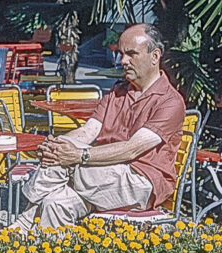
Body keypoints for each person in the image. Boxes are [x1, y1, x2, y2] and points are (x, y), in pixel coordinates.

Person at [13, 23, 186, 231]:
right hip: (101, 174)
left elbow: (132, 149)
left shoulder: (170, 102)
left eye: (132, 54)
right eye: (121, 54)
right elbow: (88, 131)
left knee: (65, 163)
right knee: (56, 203)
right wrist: (57, 145)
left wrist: (78, 156)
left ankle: (22, 223)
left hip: (140, 180)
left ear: (155, 56)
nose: (123, 61)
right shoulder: (117, 92)